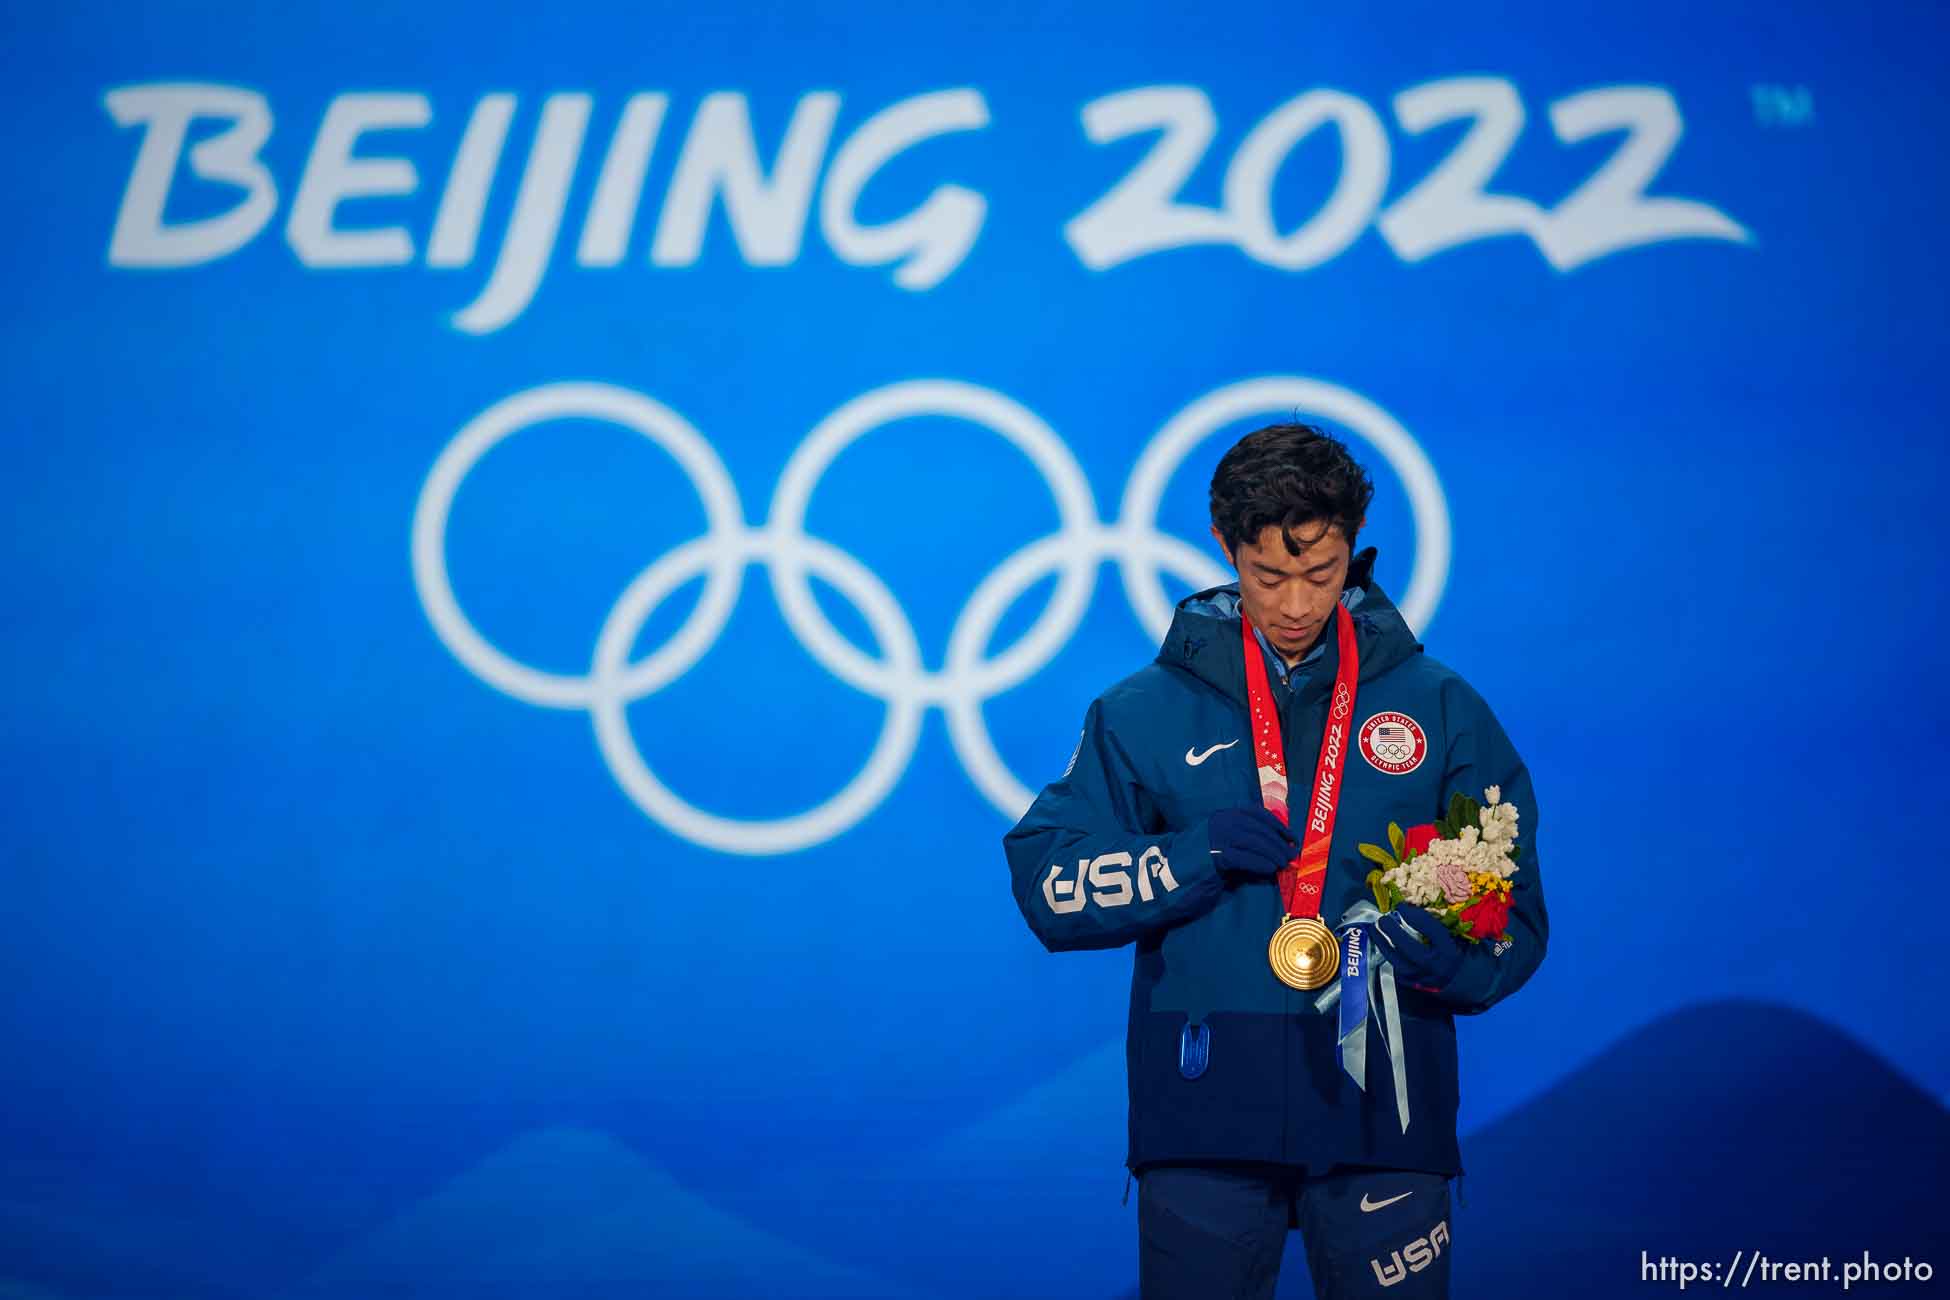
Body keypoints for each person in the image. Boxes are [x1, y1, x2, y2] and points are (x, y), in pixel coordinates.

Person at [1002, 423, 1548, 1299]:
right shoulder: (1143, 711)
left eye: (1322, 574)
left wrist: (1443, 959)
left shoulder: (1438, 706)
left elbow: (1515, 914)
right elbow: (1047, 883)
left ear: (1354, 555)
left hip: (1383, 1116)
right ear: (1225, 549)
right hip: (1205, 1110)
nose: (1296, 603)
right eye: (1268, 576)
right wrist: (1192, 855)